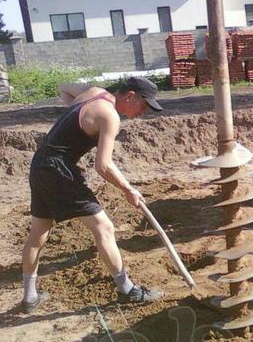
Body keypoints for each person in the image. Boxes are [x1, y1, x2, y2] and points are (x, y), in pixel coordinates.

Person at [22, 77, 165, 313]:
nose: (143, 112)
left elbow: (63, 87)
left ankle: (29, 297)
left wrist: (74, 123)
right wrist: (129, 189)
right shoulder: (110, 116)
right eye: (144, 105)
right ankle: (127, 290)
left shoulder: (94, 92)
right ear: (129, 96)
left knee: (38, 233)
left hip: (40, 165)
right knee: (104, 228)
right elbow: (104, 166)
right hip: (59, 169)